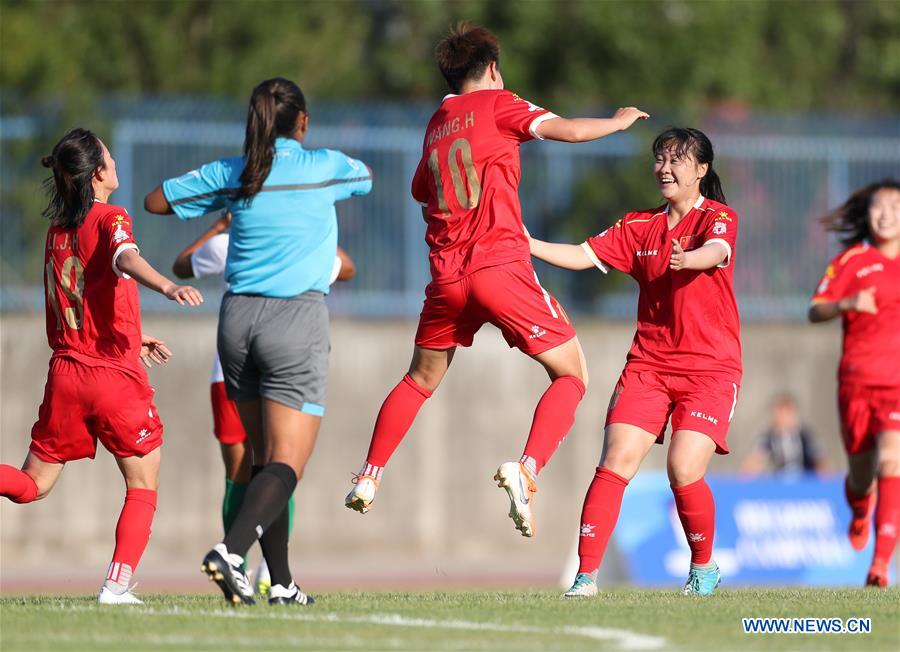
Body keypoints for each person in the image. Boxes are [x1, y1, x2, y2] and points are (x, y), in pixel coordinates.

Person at [344, 23, 648, 539]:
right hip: (498, 266)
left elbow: (422, 185)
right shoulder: (499, 103)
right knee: (572, 374)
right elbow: (570, 131)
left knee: (418, 380)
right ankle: (526, 468)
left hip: (445, 279)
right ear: (490, 69)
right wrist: (618, 122)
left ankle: (369, 475)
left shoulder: (436, 122)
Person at [145, 77, 372, 606]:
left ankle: (283, 583)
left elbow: (156, 200)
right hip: (295, 321)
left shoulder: (235, 172)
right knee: (286, 464)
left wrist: (227, 194)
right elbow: (365, 179)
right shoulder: (325, 167)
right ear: (304, 121)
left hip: (236, 323)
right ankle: (229, 551)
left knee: (262, 461)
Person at [528, 127, 740, 597]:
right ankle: (585, 581)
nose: (665, 168)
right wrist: (529, 245)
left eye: (677, 160)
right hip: (649, 365)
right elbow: (583, 255)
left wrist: (693, 260)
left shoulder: (718, 218)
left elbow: (718, 251)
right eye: (660, 159)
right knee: (615, 461)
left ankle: (703, 567)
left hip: (711, 369)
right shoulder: (637, 226)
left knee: (684, 469)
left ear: (701, 169)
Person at [0, 128, 203, 604]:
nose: (115, 162)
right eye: (109, 157)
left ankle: (116, 585)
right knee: (143, 480)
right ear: (97, 173)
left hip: (66, 373)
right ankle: (115, 584)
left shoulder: (57, 231)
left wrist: (134, 334)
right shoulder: (112, 216)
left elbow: (81, 296)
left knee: (33, 485)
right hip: (110, 376)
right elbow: (125, 259)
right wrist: (168, 288)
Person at [171, 210, 357, 595]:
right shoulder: (297, 246)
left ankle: (256, 569)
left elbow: (182, 264)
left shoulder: (229, 242)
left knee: (248, 470)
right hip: (279, 362)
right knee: (276, 465)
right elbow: (347, 268)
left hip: (231, 365)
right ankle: (250, 565)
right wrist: (312, 223)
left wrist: (219, 226)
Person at [808, 179, 900, 588]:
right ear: (868, 214)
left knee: (892, 462)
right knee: (862, 475)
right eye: (880, 207)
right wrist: (846, 303)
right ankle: (861, 509)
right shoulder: (851, 262)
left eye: (895, 207)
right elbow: (815, 310)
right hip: (856, 384)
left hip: (896, 386)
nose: (887, 214)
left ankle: (880, 566)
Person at [741, 394, 831, 475]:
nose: (783, 418)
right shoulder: (768, 438)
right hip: (777, 486)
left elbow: (822, 461)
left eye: (787, 413)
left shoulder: (805, 436)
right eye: (780, 413)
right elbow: (752, 463)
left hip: (803, 483)